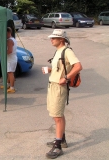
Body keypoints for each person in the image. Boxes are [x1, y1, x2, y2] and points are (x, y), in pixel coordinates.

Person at [42, 29, 82, 159]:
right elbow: (60, 68)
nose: (51, 39)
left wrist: (66, 78)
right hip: (52, 85)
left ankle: (58, 146)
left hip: (59, 87)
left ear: (62, 39)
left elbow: (78, 66)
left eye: (54, 38)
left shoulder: (67, 51)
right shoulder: (58, 51)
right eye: (51, 37)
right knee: (56, 114)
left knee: (57, 116)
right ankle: (61, 140)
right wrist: (50, 70)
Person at [0, 27, 17, 93]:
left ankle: (12, 87)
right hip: (11, 58)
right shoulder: (13, 39)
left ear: (9, 32)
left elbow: (10, 51)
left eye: (5, 33)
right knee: (9, 72)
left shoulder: (9, 40)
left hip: (11, 59)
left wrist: (2, 53)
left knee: (10, 73)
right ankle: (7, 84)